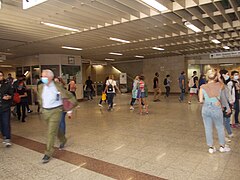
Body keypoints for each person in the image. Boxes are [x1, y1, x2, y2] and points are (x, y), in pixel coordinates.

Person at [37, 69, 77, 163]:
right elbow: (40, 98)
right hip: (46, 111)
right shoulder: (40, 87)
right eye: (42, 76)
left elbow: (68, 97)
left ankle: (48, 153)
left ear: (50, 77)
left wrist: (69, 110)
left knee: (51, 132)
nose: (43, 78)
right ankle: (63, 139)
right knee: (55, 129)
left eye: (45, 76)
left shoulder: (58, 86)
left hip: (56, 110)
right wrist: (42, 108)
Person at [199, 69, 231, 154]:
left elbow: (201, 100)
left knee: (208, 128)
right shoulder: (219, 85)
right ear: (216, 77)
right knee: (220, 127)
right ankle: (222, 146)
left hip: (206, 108)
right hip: (217, 108)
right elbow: (224, 87)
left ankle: (210, 147)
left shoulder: (202, 87)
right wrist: (219, 78)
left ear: (207, 77)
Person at [219, 69, 234, 140]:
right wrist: (228, 108)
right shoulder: (223, 86)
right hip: (224, 106)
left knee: (224, 121)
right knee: (225, 121)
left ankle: (228, 133)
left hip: (223, 105)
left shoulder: (223, 85)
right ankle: (226, 135)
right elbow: (224, 98)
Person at [0, 71, 13, 147]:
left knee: (6, 123)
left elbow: (11, 94)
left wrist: (9, 97)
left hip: (5, 107)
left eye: (1, 75)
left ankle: (7, 139)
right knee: (1, 124)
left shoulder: (7, 84)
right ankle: (4, 135)